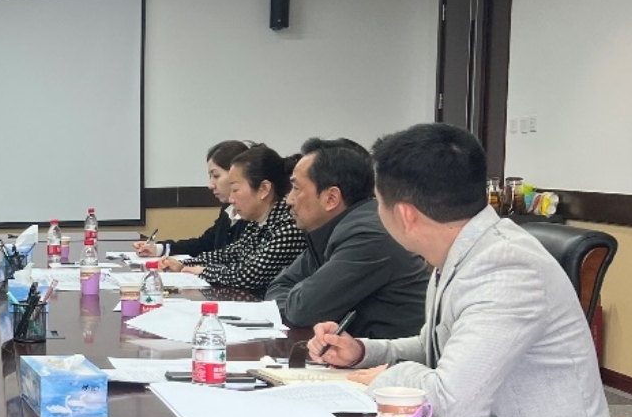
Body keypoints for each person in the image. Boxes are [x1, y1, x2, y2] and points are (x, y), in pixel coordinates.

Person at [310, 124, 628, 417]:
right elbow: (436, 345)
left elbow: (453, 401)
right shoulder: (463, 249)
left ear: (405, 215)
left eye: (378, 202)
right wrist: (362, 352)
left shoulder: (506, 266)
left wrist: (389, 377)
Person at [266, 138, 428, 337]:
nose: (288, 200)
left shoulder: (368, 237)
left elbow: (302, 310)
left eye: (296, 189)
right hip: (356, 350)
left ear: (331, 198)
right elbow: (278, 287)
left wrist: (301, 301)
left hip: (391, 354)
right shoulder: (332, 230)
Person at [163, 144, 306, 294]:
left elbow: (249, 275)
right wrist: (183, 263)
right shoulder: (258, 221)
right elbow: (229, 254)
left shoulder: (288, 225)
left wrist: (201, 271)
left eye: (235, 190)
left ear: (264, 189)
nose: (231, 199)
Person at [136, 140, 251, 258]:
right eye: (210, 177)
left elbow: (232, 262)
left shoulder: (252, 217)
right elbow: (204, 244)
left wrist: (188, 265)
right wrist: (159, 249)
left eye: (216, 176)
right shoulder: (228, 210)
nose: (210, 185)